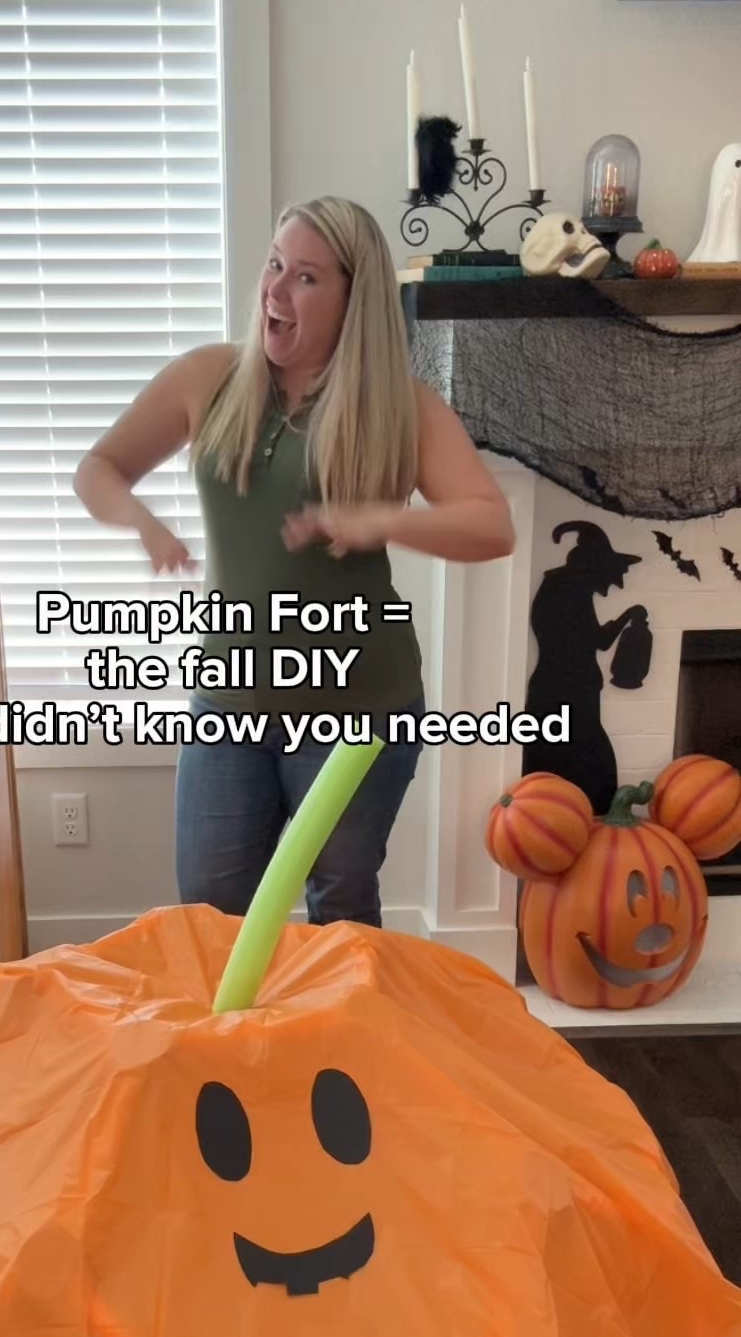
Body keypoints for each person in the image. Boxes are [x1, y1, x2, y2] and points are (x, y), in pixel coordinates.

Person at [73, 196, 515, 925]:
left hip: (359, 710)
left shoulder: (402, 409)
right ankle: (240, 1045)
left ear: (353, 298)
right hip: (231, 703)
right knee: (211, 912)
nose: (275, 291)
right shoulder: (207, 379)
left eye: (305, 277)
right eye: (274, 265)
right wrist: (143, 524)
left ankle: (335, 1042)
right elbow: (100, 467)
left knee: (338, 904)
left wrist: (382, 519)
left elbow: (493, 526)